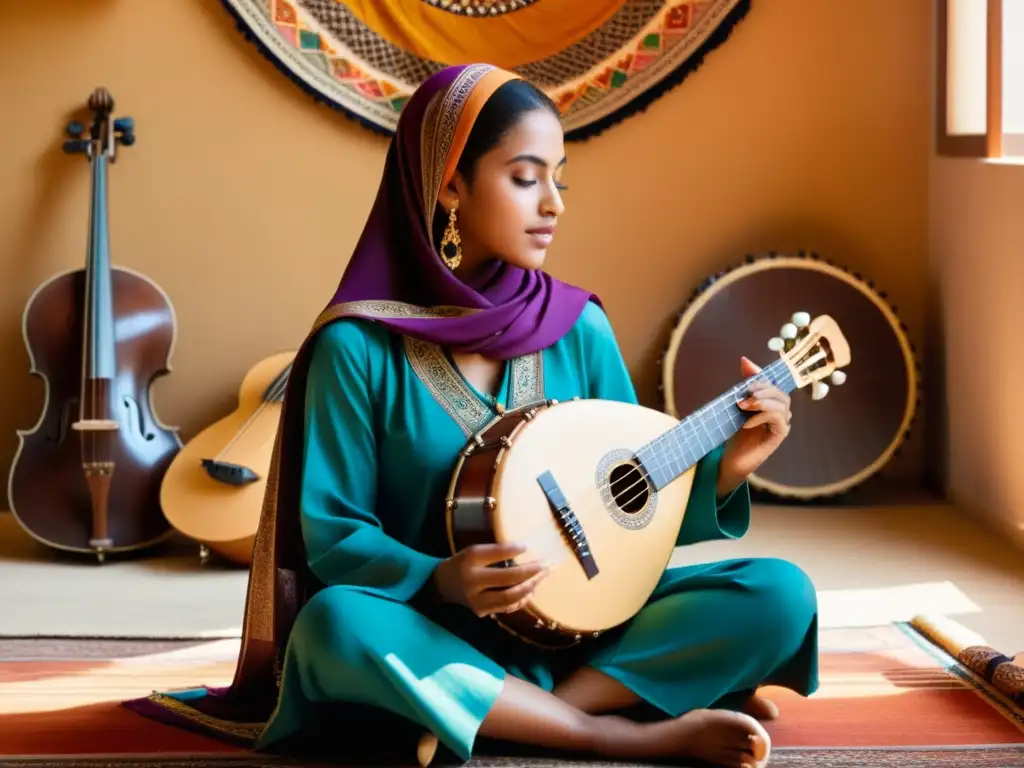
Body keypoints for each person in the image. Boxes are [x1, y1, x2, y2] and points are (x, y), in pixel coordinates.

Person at [125, 63, 818, 768]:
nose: (553, 204)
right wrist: (444, 580)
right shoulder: (358, 345)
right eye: (526, 177)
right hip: (426, 627)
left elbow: (630, 500)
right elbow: (333, 535)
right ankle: (607, 728)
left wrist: (723, 474)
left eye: (560, 178)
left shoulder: (578, 327)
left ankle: (499, 712)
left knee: (778, 593)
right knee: (334, 627)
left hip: (582, 627)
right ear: (450, 182)